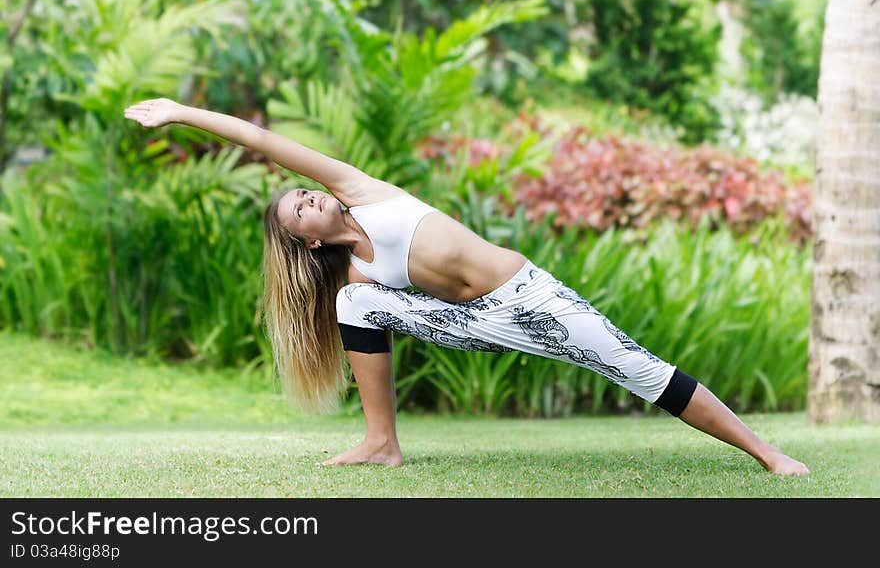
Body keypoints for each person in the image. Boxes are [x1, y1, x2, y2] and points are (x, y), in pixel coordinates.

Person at [124, 97, 810, 476]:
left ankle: (765, 451)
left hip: (530, 299)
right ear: (307, 239)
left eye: (306, 192)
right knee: (350, 301)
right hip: (468, 321)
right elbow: (374, 303)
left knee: (636, 366)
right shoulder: (357, 274)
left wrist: (182, 112)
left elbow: (262, 140)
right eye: (299, 208)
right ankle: (380, 441)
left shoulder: (363, 192)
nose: (309, 197)